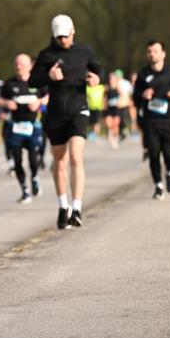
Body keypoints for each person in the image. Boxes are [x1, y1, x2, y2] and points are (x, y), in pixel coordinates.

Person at [31, 14, 103, 230]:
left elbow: (99, 70)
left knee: (75, 157)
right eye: (59, 37)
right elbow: (33, 81)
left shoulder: (85, 51)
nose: (63, 41)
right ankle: (64, 206)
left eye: (66, 36)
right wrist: (48, 77)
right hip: (55, 113)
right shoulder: (47, 55)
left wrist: (97, 79)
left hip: (78, 109)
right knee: (60, 161)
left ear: (74, 31)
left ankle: (78, 208)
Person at [134, 40, 170, 200]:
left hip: (169, 120)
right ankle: (158, 186)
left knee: (169, 154)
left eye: (155, 51)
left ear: (163, 53)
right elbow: (135, 97)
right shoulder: (143, 74)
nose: (152, 54)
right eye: (149, 51)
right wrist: (143, 95)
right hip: (151, 121)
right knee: (154, 154)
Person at [2, 54, 48, 203]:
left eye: (22, 64)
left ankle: (34, 177)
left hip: (33, 126)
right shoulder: (9, 84)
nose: (18, 66)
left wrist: (39, 102)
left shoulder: (38, 83)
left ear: (30, 65)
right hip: (16, 126)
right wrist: (6, 104)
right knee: (17, 160)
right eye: (16, 63)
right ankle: (25, 190)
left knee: (33, 158)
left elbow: (49, 96)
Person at [104, 72, 123, 149]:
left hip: (116, 109)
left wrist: (120, 102)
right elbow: (104, 98)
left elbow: (122, 97)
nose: (111, 80)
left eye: (113, 78)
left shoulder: (118, 88)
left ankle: (115, 138)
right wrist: (104, 105)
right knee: (109, 124)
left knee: (115, 125)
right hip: (109, 109)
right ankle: (110, 134)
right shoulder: (107, 88)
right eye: (110, 78)